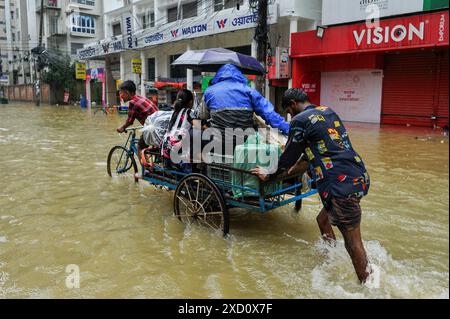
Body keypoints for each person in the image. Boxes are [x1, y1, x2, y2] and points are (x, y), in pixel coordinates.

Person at [252, 88, 374, 285]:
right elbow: (305, 160)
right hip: (357, 175)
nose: (290, 115)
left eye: (288, 111)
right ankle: (331, 257)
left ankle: (368, 286)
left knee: (353, 242)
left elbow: (288, 157)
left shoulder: (300, 121)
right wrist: (280, 173)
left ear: (292, 104)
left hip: (339, 184)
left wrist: (270, 174)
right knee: (323, 220)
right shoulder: (328, 112)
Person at [204, 64, 290, 155]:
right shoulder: (249, 91)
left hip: (218, 142)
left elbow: (202, 115)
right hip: (245, 143)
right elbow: (269, 114)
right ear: (238, 75)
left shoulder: (209, 91)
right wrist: (288, 129)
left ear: (218, 75)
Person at [116, 80, 159, 157]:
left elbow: (130, 121)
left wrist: (122, 128)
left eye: (122, 93)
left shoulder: (133, 102)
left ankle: (146, 168)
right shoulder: (140, 98)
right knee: (152, 146)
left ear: (128, 93)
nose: (121, 96)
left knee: (140, 147)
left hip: (152, 128)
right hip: (158, 126)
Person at [161, 89, 195, 170]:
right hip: (177, 151)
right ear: (190, 102)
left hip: (165, 149)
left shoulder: (175, 112)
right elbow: (200, 126)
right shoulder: (189, 112)